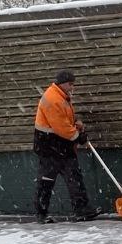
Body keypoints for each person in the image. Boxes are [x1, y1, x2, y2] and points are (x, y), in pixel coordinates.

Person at [33, 70, 99, 223]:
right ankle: (41, 214)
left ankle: (82, 210)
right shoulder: (52, 99)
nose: (72, 87)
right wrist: (78, 136)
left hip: (61, 145)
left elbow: (65, 118)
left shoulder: (61, 96)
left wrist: (75, 123)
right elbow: (61, 127)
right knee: (47, 181)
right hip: (49, 146)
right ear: (62, 83)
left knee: (74, 177)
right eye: (70, 84)